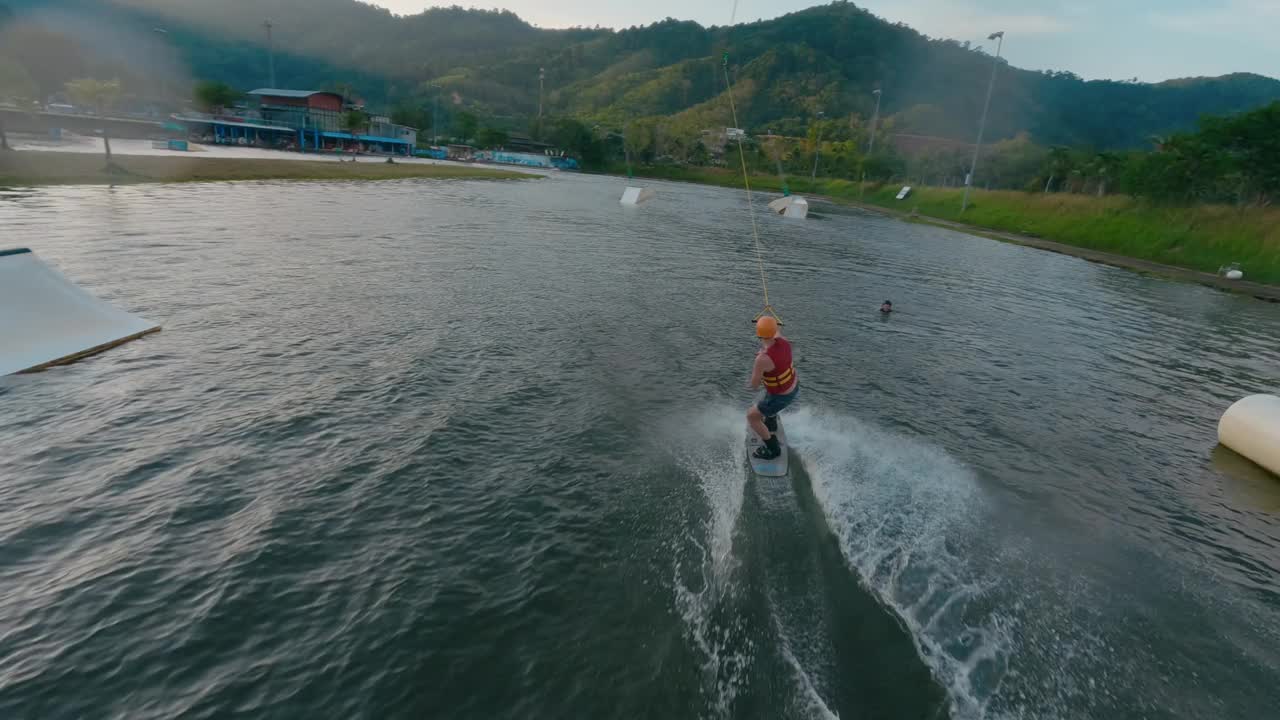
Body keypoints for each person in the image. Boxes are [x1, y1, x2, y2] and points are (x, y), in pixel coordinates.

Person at [748, 315, 798, 460]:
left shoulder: (762, 359)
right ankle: (770, 421)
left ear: (758, 334)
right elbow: (776, 332)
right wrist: (770, 323)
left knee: (752, 416)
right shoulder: (784, 342)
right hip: (793, 387)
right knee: (768, 392)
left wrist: (758, 369)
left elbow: (754, 385)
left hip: (781, 397)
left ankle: (772, 449)